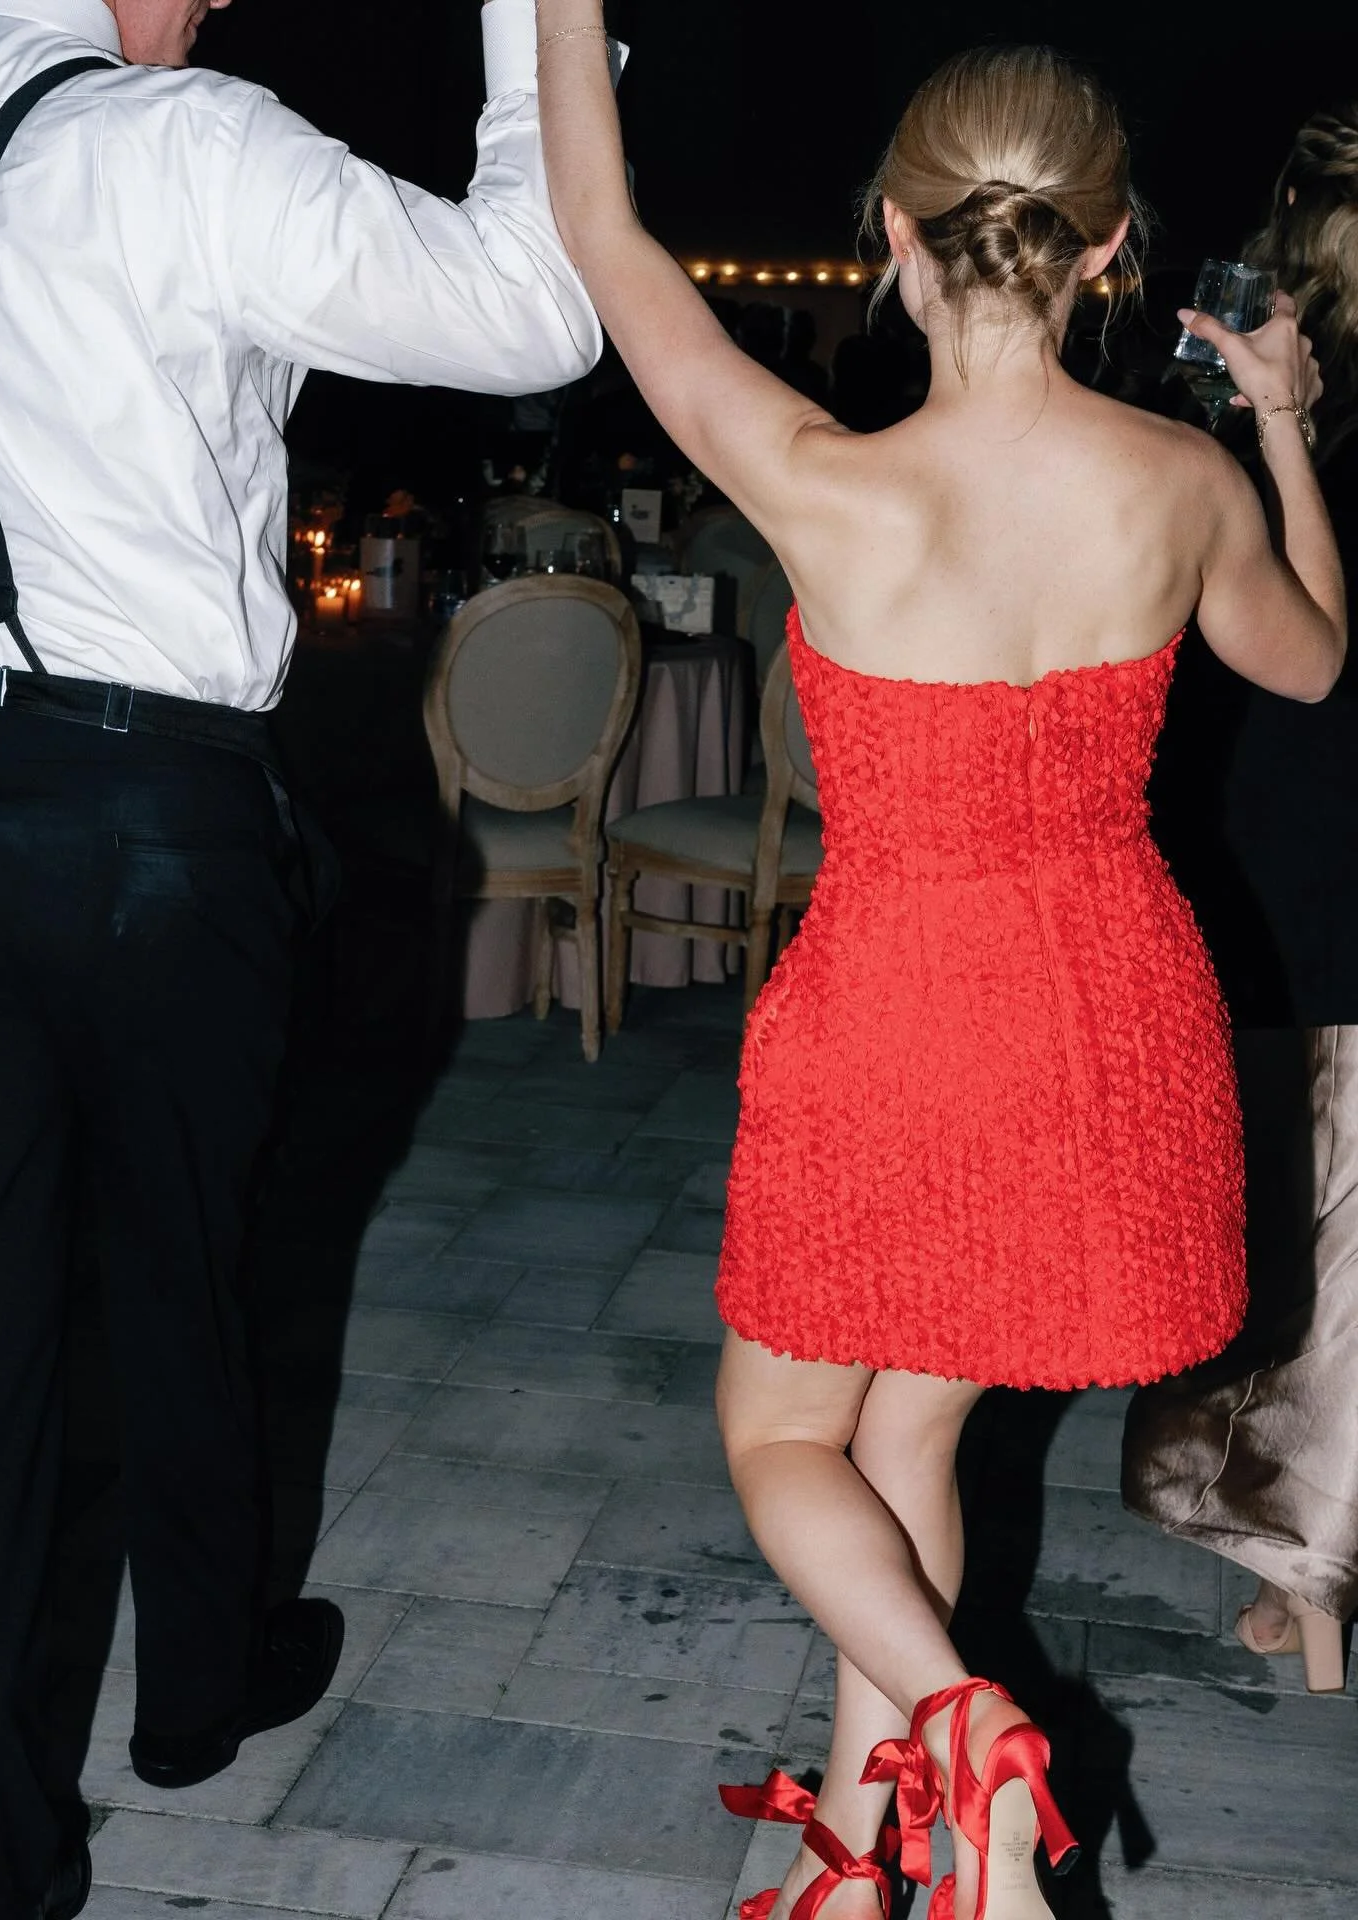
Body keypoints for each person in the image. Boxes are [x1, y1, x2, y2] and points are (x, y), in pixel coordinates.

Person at [534, 21, 1343, 1920]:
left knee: (779, 1434)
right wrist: (1284, 417)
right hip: (1111, 1019)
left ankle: (968, 1734)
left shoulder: (825, 476)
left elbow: (597, 225)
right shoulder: (1182, 484)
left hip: (903, 1005)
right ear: (1108, 244)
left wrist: (562, 15)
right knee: (904, 1433)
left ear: (895, 235)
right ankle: (860, 1847)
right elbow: (1311, 664)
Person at [0, 0, 601, 1914]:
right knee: (190, 1256)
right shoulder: (183, 143)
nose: (208, 8)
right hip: (150, 818)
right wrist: (537, 30)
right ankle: (198, 1688)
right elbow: (535, 311)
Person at [1124, 105, 1358, 1696]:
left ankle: (1310, 1562)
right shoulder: (1270, 367)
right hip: (1271, 810)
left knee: (1305, 1188)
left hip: (1288, 811)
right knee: (1312, 1190)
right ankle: (1303, 1557)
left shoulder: (1283, 379)